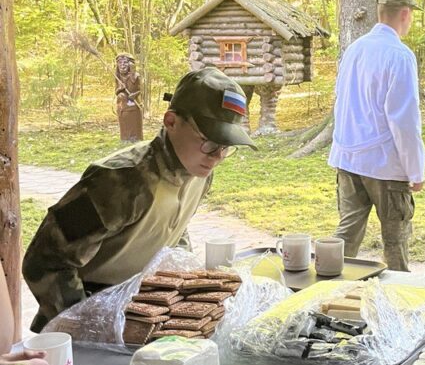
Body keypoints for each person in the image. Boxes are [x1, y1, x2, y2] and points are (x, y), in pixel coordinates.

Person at [23, 67, 256, 332]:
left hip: (139, 316)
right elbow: (44, 262)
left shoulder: (198, 173)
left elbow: (170, 228)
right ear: (171, 122)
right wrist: (90, 326)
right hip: (82, 321)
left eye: (226, 146)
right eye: (208, 142)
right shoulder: (122, 181)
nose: (216, 157)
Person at [328, 0, 425, 271]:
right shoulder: (399, 55)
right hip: (385, 164)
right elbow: (404, 119)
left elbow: (342, 101)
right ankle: (399, 302)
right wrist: (415, 170)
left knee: (347, 235)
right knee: (395, 242)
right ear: (405, 14)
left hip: (348, 157)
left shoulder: (354, 49)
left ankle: (327, 289)